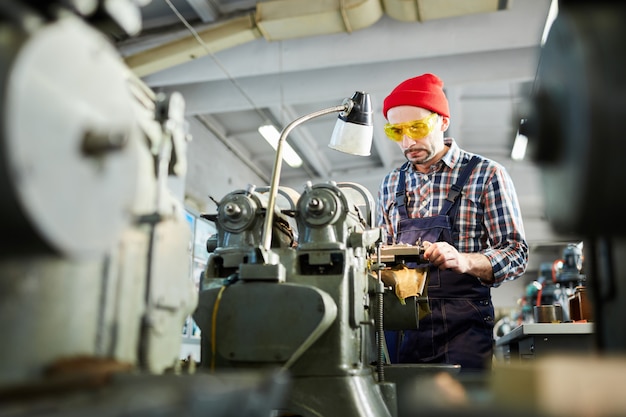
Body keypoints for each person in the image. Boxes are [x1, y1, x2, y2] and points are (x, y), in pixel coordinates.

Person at [376, 73, 529, 373]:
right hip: (403, 331)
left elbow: (516, 254)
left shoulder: (486, 175)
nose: (408, 141)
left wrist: (464, 261)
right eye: (397, 132)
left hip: (463, 330)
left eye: (417, 128)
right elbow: (383, 254)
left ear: (443, 121)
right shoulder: (390, 183)